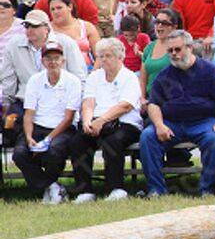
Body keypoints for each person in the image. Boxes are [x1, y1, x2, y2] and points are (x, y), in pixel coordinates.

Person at [139, 30, 215, 196]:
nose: (173, 54)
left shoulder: (209, 70)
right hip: (171, 123)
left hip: (202, 122)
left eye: (177, 49)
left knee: (213, 140)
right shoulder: (164, 75)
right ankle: (156, 190)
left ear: (190, 48)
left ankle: (206, 189)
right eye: (170, 51)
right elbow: (154, 104)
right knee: (148, 137)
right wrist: (159, 125)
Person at [69, 38, 143, 203]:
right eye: (100, 56)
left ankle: (116, 188)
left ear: (119, 57)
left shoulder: (129, 77)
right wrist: (87, 121)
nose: (103, 60)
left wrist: (101, 120)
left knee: (112, 142)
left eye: (108, 56)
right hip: (96, 122)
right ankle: (84, 190)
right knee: (78, 142)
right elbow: (88, 102)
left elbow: (125, 106)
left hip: (124, 123)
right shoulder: (95, 77)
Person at [12, 41, 81, 204]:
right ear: (43, 61)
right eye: (48, 58)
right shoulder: (35, 80)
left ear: (63, 61)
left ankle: (48, 188)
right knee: (20, 154)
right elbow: (29, 113)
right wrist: (29, 137)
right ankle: (51, 186)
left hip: (62, 128)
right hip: (37, 125)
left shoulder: (73, 81)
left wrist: (47, 139)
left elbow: (69, 117)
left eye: (57, 58)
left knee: (53, 152)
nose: (53, 62)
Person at [1, 10, 87, 140]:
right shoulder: (14, 45)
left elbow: (79, 77)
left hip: (59, 102)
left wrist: (75, 105)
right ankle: (25, 146)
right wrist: (6, 105)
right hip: (25, 101)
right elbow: (8, 79)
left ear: (47, 27)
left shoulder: (66, 43)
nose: (30, 30)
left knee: (57, 138)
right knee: (8, 125)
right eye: (27, 26)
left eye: (35, 26)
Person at [140, 8, 183, 112]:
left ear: (174, 28)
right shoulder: (149, 47)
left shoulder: (179, 48)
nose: (159, 26)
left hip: (171, 98)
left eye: (164, 23)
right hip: (150, 98)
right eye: (157, 22)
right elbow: (143, 78)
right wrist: (142, 98)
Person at [48, 0, 100, 70]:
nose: (55, 12)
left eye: (59, 8)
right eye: (52, 9)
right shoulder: (47, 30)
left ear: (70, 7)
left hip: (88, 70)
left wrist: (93, 73)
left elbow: (100, 55)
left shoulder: (87, 27)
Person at [0, 0, 26, 77]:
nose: (1, 7)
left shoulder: (24, 27)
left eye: (6, 5)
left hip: (15, 74)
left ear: (14, 10)